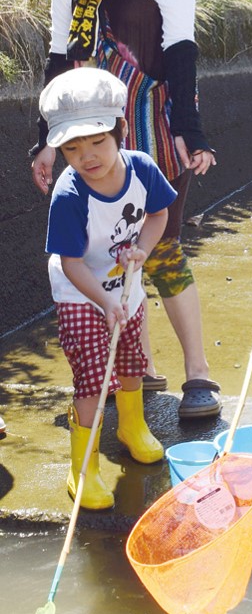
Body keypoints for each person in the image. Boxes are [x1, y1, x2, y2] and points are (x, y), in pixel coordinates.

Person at [30, 0, 221, 420]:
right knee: (102, 251)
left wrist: (190, 132)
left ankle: (198, 375)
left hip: (153, 124)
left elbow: (182, 49)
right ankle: (137, 364)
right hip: (85, 135)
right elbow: (60, 60)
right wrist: (46, 141)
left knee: (161, 245)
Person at [40, 69, 175, 509]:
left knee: (134, 357)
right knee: (93, 378)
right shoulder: (69, 194)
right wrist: (102, 302)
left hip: (125, 285)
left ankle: (131, 426)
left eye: (97, 142)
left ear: (120, 130)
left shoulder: (142, 169)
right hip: (81, 290)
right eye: (72, 148)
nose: (88, 156)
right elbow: (70, 262)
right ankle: (83, 468)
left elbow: (158, 216)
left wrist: (141, 249)